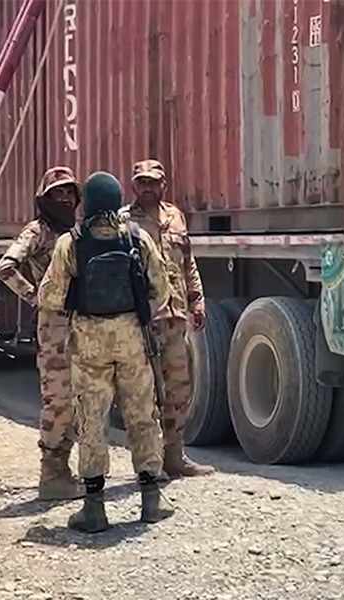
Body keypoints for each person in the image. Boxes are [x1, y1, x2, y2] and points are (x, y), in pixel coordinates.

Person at [38, 170, 175, 533]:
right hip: (133, 341)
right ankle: (151, 500)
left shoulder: (72, 242)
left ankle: (94, 509)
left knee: (92, 423)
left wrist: (78, 302)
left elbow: (49, 297)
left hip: (89, 345)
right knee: (142, 416)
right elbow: (161, 292)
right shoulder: (138, 237)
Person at [0, 166, 84, 501]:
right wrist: (37, 296)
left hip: (79, 324)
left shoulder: (74, 231)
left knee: (77, 400)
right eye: (56, 193)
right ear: (43, 199)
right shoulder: (38, 231)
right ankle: (52, 473)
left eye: (69, 193)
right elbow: (5, 267)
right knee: (58, 400)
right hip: (54, 326)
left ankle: (65, 471)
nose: (64, 198)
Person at [123, 159, 215, 477]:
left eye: (153, 182)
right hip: (143, 322)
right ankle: (148, 462)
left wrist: (197, 300)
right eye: (142, 182)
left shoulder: (175, 216)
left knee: (179, 388)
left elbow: (187, 262)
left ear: (164, 184)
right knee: (146, 392)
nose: (148, 188)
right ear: (133, 186)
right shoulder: (124, 221)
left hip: (176, 317)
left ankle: (174, 456)